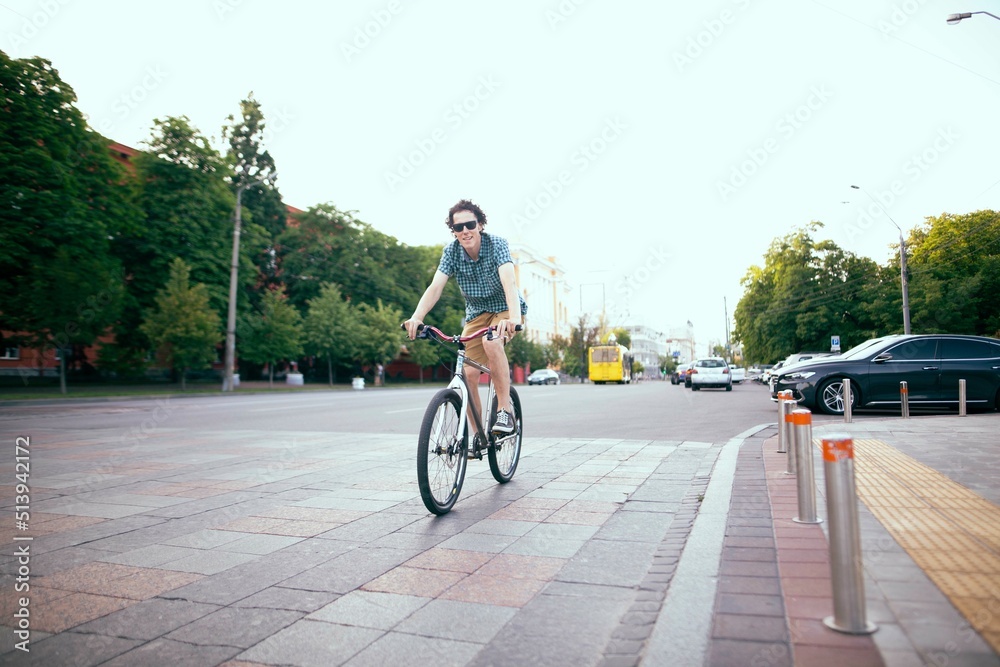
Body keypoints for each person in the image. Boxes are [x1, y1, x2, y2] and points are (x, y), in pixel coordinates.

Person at [403, 199, 527, 434]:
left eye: (469, 224)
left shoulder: (497, 244)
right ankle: (478, 434)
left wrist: (514, 318)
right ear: (454, 231)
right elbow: (435, 287)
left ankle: (504, 411)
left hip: (504, 309)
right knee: (468, 372)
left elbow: (509, 283)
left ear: (480, 224)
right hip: (477, 314)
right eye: (458, 227)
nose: (465, 231)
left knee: (491, 342)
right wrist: (416, 317)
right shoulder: (451, 252)